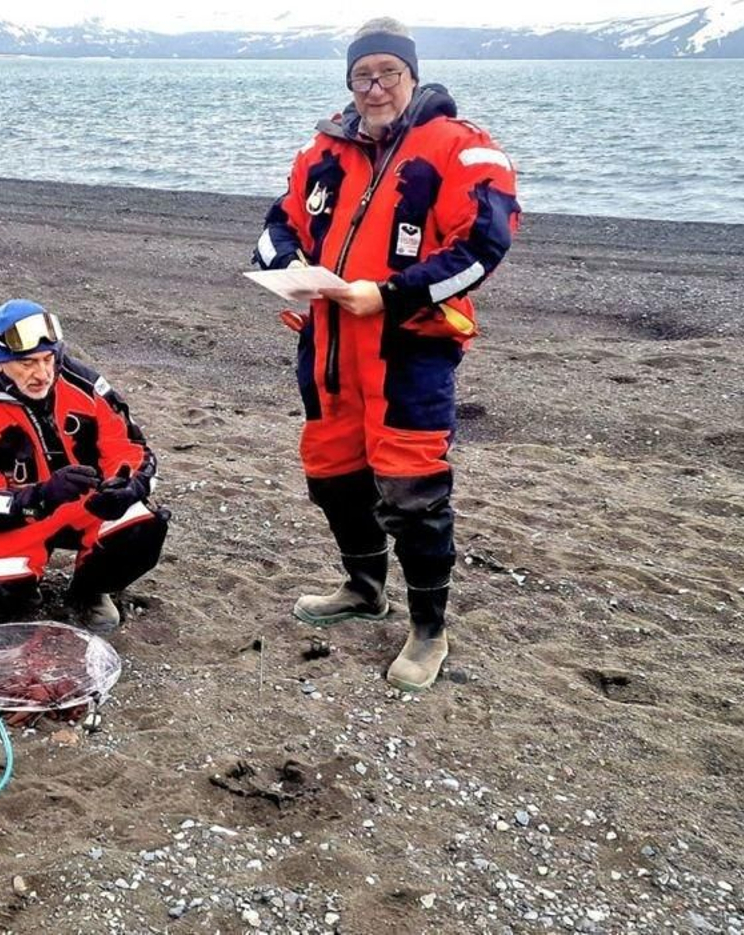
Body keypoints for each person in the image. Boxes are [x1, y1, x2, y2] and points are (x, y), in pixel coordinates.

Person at [252, 17, 520, 691]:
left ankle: (430, 630)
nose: (375, 88)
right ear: (349, 81)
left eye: (388, 74)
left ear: (412, 75)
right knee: (332, 474)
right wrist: (287, 264)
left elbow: (484, 246)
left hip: (408, 350)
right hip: (328, 345)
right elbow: (277, 225)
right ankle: (364, 587)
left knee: (413, 492)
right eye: (362, 75)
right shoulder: (323, 150)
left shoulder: (459, 149)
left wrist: (392, 295)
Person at [0, 299, 168, 631]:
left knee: (141, 528)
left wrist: (129, 486)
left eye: (49, 359)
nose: (42, 374)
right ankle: (23, 594)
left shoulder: (85, 384)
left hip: (86, 506)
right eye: (28, 363)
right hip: (22, 517)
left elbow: (132, 448)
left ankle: (89, 591)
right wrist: (38, 497)